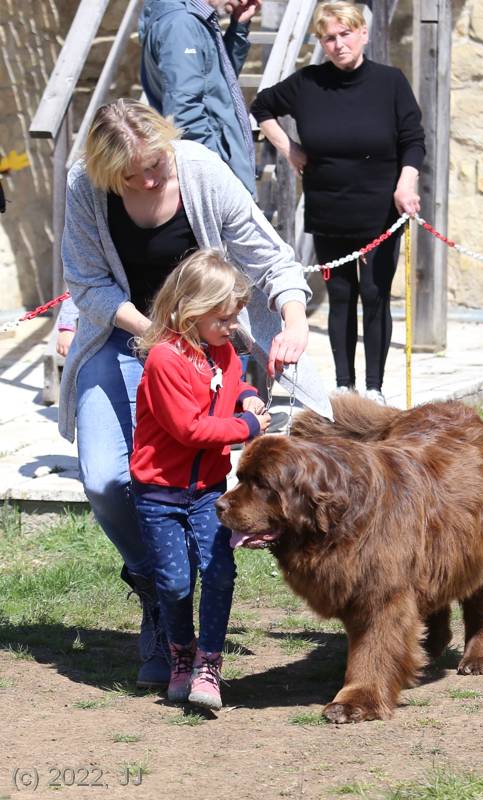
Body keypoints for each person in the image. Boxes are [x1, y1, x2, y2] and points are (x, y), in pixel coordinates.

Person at [58, 98, 328, 691]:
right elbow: (86, 282)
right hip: (127, 335)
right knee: (105, 479)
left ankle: (186, 619)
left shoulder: (201, 170)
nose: (149, 181)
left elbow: (270, 256)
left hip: (208, 341)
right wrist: (156, 335)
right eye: (132, 176)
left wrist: (292, 318)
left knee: (201, 472)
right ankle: (156, 588)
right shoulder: (84, 186)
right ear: (105, 171)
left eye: (155, 166)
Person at [251, 1, 425, 404]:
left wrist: (406, 183)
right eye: (329, 38)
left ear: (362, 33)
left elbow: (413, 140)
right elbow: (262, 106)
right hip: (329, 209)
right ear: (322, 42)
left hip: (381, 211)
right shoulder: (308, 83)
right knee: (341, 297)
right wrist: (289, 149)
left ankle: (374, 388)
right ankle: (344, 385)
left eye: (346, 34)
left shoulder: (390, 82)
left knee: (375, 295)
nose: (338, 44)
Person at [130, 250, 270, 710]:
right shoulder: (164, 360)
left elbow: (231, 382)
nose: (231, 327)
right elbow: (189, 429)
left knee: (219, 571)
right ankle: (181, 654)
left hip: (208, 491)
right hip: (160, 494)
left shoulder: (224, 352)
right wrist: (247, 427)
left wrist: (246, 397)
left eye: (234, 317)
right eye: (223, 318)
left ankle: (209, 662)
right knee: (174, 583)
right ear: (189, 310)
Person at [139, 0, 261, 195]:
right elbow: (184, 113)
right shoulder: (182, 25)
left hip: (213, 173)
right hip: (213, 181)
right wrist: (217, 179)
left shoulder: (189, 19)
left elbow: (217, 82)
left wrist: (238, 28)